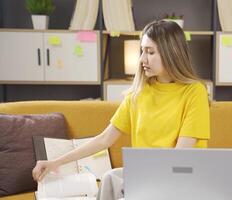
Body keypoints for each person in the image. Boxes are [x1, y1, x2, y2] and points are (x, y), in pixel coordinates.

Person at [32, 20, 210, 200]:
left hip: (178, 179)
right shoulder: (138, 94)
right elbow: (103, 139)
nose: (142, 59)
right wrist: (56, 162)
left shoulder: (194, 92)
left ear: (171, 53)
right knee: (110, 178)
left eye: (150, 52)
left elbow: (179, 156)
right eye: (142, 51)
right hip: (146, 179)